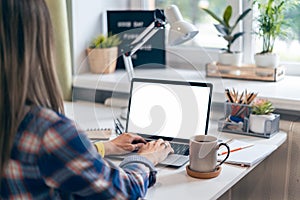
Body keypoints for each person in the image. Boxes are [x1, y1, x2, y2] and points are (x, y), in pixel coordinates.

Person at [0, 0, 173, 199]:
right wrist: (146, 158)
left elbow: (58, 161)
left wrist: (106, 147)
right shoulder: (46, 131)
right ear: (38, 42)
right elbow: (125, 192)